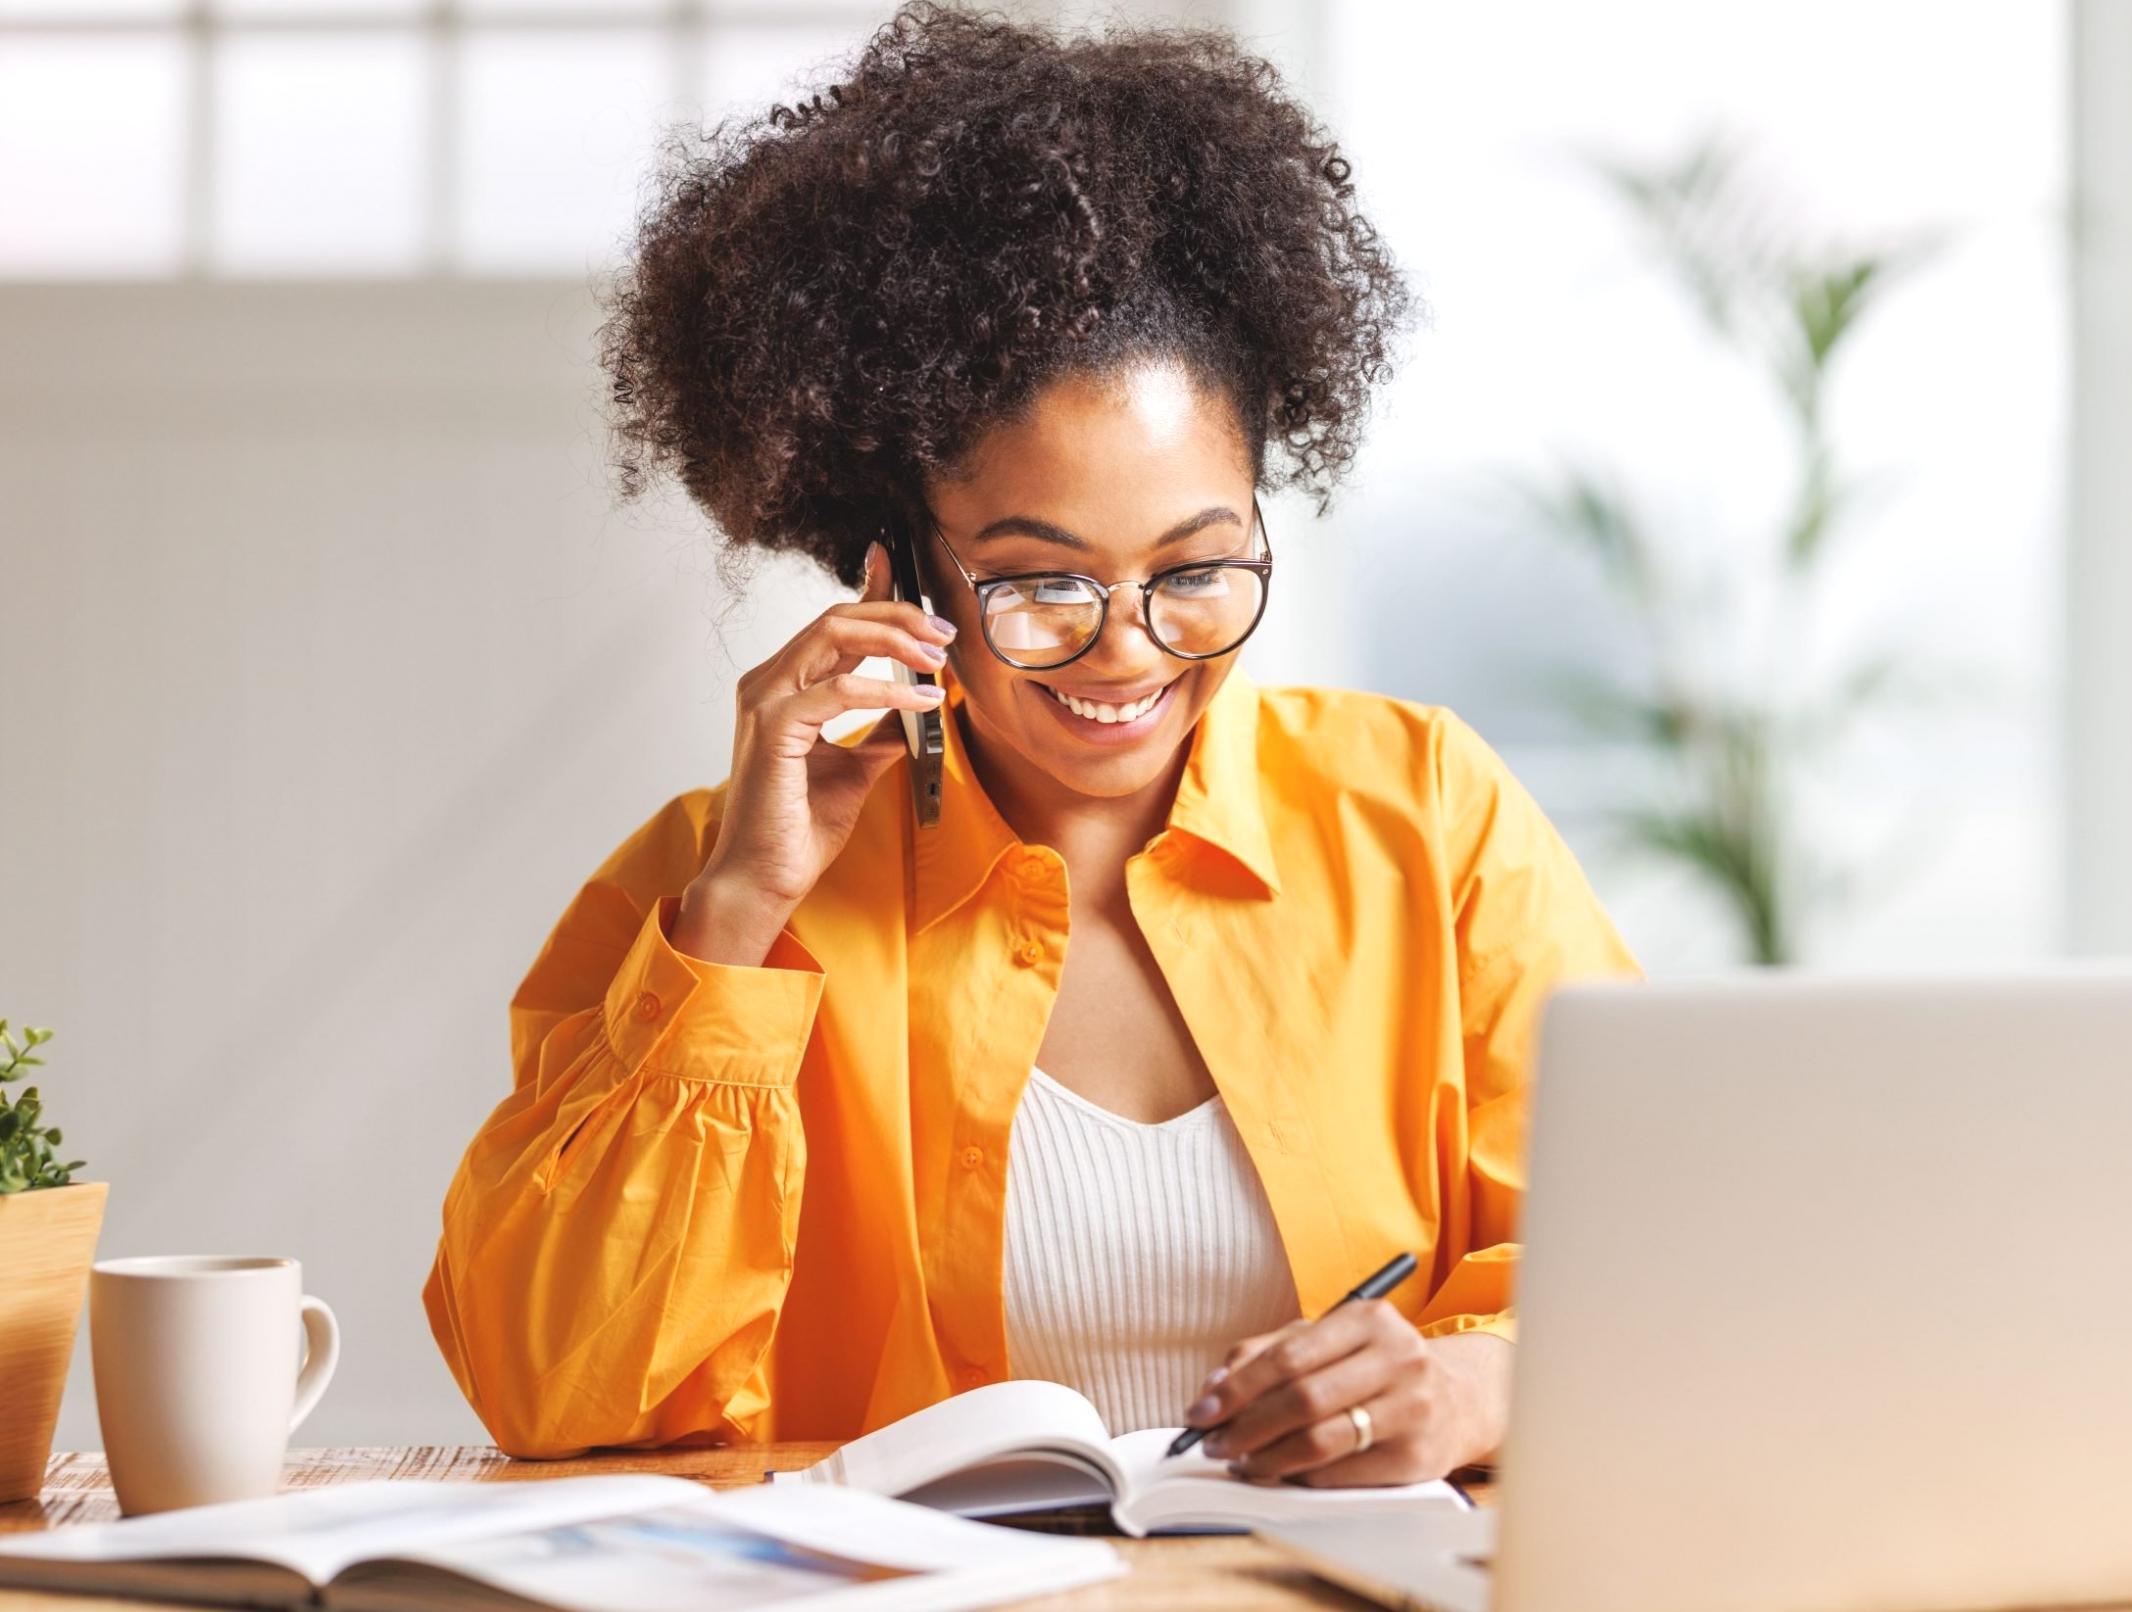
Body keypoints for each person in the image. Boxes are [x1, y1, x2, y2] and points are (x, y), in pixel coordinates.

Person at [422, 0, 1638, 1487]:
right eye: (1041, 583)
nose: (1128, 647)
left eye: (1194, 569)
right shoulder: (709, 889)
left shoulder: (1425, 814)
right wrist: (735, 927)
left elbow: (1670, 1262)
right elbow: (558, 1394)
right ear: (904, 573)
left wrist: (1466, 1386)